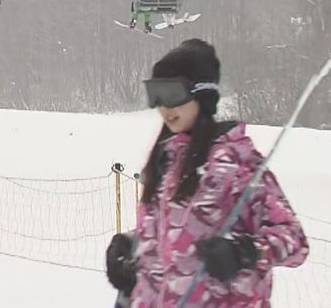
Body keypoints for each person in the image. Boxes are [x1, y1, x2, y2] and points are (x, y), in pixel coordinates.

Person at [105, 39, 307, 307]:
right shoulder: (165, 161)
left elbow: (294, 239)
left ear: (201, 95)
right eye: (156, 94)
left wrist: (243, 252)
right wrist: (132, 247)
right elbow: (175, 234)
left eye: (172, 94)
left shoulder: (238, 163)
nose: (165, 107)